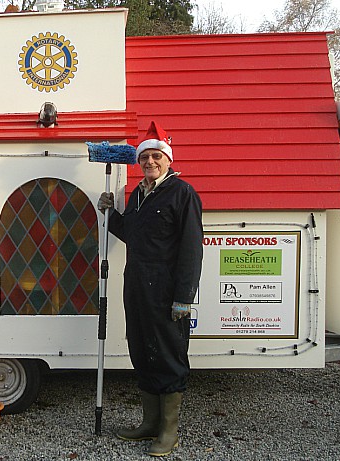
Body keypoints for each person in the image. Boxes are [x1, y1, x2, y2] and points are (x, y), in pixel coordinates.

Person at [98, 121, 203, 457]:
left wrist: (184, 298)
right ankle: (149, 424)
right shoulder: (138, 195)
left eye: (157, 156)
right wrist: (111, 214)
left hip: (167, 289)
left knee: (168, 355)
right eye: (145, 158)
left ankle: (169, 432)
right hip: (137, 286)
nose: (150, 162)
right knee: (142, 351)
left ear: (168, 160)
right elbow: (133, 234)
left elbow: (191, 249)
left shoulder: (182, 194)